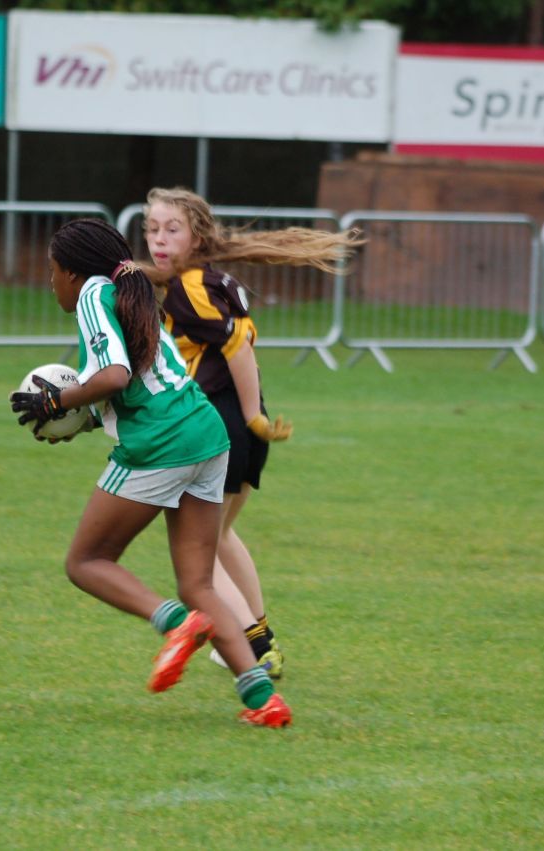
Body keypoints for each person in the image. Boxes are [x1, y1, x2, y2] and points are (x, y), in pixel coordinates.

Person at [9, 217, 291, 728]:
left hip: (162, 443)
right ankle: (263, 700)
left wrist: (56, 399)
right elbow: (140, 382)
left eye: (52, 271)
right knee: (199, 583)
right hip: (206, 431)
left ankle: (177, 626)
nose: (51, 282)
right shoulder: (128, 292)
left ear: (72, 272)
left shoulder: (95, 296)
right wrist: (86, 418)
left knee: (87, 561)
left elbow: (113, 374)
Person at [142, 186, 363, 677]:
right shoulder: (209, 278)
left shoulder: (190, 287)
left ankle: (252, 647)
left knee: (196, 554)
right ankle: (259, 635)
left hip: (218, 426)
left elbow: (238, 346)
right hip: (240, 428)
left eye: (171, 229)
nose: (159, 238)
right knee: (220, 537)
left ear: (196, 235)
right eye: (152, 229)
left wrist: (250, 414)